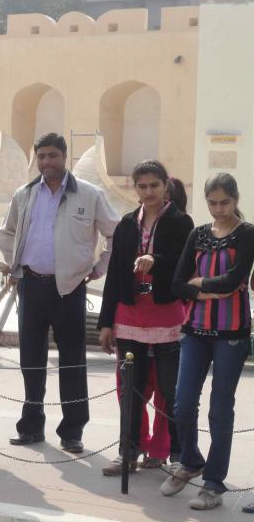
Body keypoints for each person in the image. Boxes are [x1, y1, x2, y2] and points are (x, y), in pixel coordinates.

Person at [0, 133, 118, 454]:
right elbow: (6, 232)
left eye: (52, 155)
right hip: (31, 286)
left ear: (65, 156)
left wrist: (98, 268)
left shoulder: (89, 194)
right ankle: (31, 426)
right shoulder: (25, 194)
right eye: (41, 156)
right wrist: (16, 263)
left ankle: (72, 431)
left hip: (70, 288)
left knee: (72, 362)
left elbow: (116, 234)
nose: (46, 162)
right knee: (31, 359)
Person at [164, 173, 254, 511]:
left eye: (224, 203)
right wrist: (204, 290)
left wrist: (199, 283)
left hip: (231, 334)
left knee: (220, 409)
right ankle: (190, 461)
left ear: (235, 200)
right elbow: (176, 283)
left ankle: (214, 484)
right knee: (182, 403)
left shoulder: (247, 233)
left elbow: (234, 279)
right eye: (212, 203)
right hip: (195, 329)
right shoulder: (198, 233)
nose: (218, 209)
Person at [97, 161, 193, 476]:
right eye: (142, 186)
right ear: (134, 188)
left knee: (170, 389)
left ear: (166, 186)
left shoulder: (181, 222)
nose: (149, 191)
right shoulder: (126, 224)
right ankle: (128, 453)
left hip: (167, 315)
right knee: (131, 390)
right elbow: (114, 276)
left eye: (154, 185)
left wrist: (156, 260)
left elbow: (185, 264)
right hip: (130, 315)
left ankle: (176, 455)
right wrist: (106, 323)